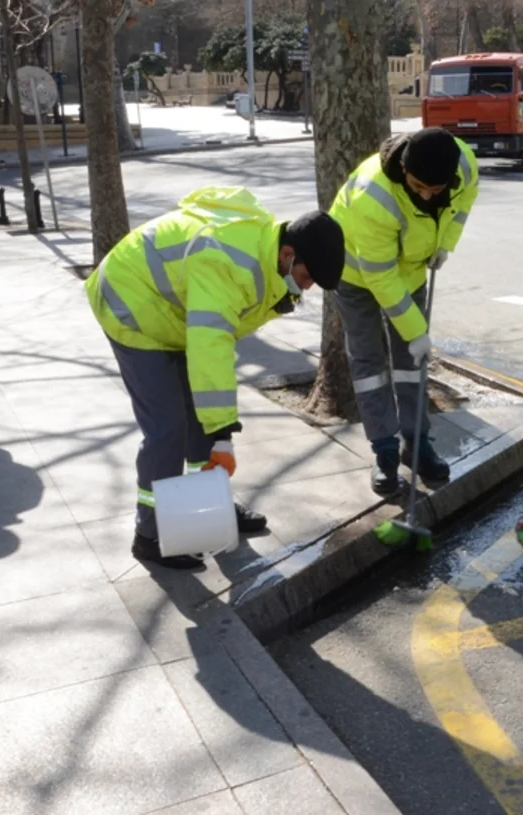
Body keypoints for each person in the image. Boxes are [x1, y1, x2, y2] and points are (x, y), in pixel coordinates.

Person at [87, 188, 346, 569]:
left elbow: (215, 342)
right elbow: (211, 346)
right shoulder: (229, 261)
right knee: (168, 426)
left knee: (200, 415)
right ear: (289, 254)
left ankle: (211, 508)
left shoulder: (267, 257)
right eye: (307, 278)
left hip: (174, 310)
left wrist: (217, 428)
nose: (306, 288)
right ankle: (150, 534)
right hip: (132, 306)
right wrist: (223, 434)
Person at [329, 127, 479, 496]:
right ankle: (384, 453)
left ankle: (418, 444)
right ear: (404, 170)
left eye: (436, 189)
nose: (427, 195)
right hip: (354, 273)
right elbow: (379, 278)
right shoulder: (374, 195)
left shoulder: (464, 165)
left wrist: (445, 244)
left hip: (410, 269)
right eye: (418, 186)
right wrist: (415, 331)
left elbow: (465, 201)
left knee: (411, 366)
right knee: (368, 364)